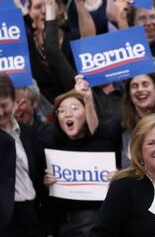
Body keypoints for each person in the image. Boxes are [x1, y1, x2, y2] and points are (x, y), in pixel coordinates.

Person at [42, 75, 122, 237]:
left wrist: (121, 178)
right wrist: (45, 183)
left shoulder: (106, 138)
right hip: (68, 226)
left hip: (104, 223)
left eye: (74, 108)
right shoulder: (51, 145)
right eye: (61, 110)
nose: (67, 114)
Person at [0, 74, 47, 237]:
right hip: (6, 220)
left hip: (34, 214)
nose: (0, 112)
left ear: (14, 102)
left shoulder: (28, 133)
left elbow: (40, 173)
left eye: (4, 105)